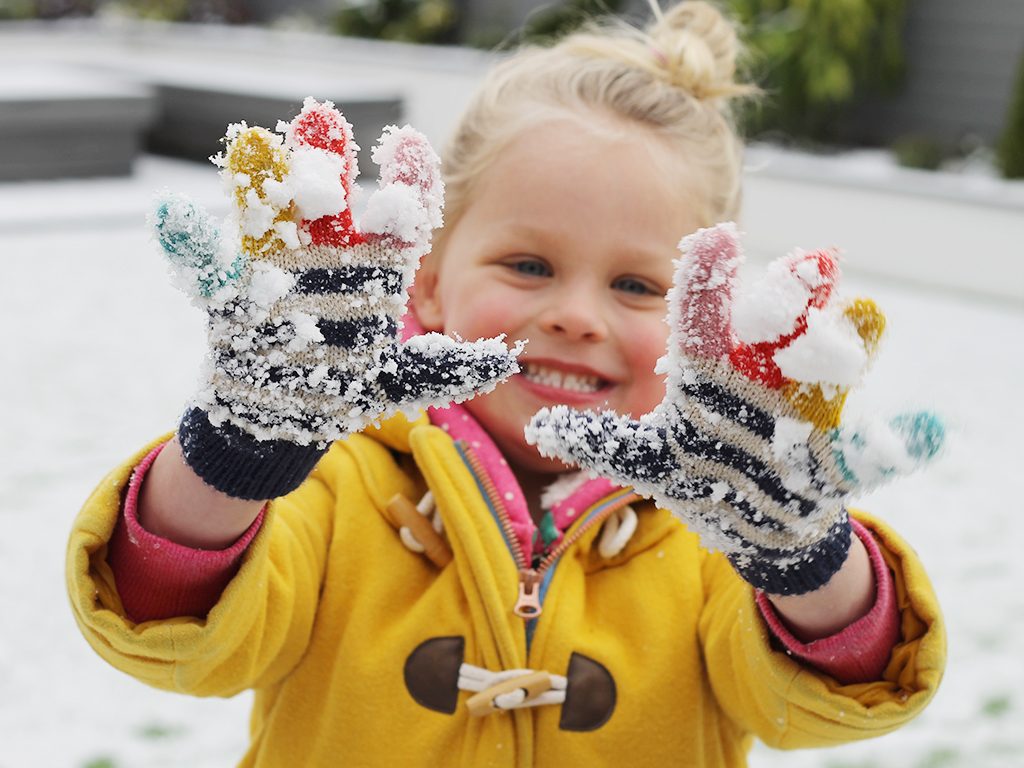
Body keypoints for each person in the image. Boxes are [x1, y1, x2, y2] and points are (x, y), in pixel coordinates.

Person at [66, 2, 946, 766]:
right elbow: (171, 632)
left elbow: (820, 702)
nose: (576, 316)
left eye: (636, 286)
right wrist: (233, 463)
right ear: (430, 278)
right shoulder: (335, 481)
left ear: (701, 323)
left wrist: (803, 561)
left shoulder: (711, 529)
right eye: (529, 264)